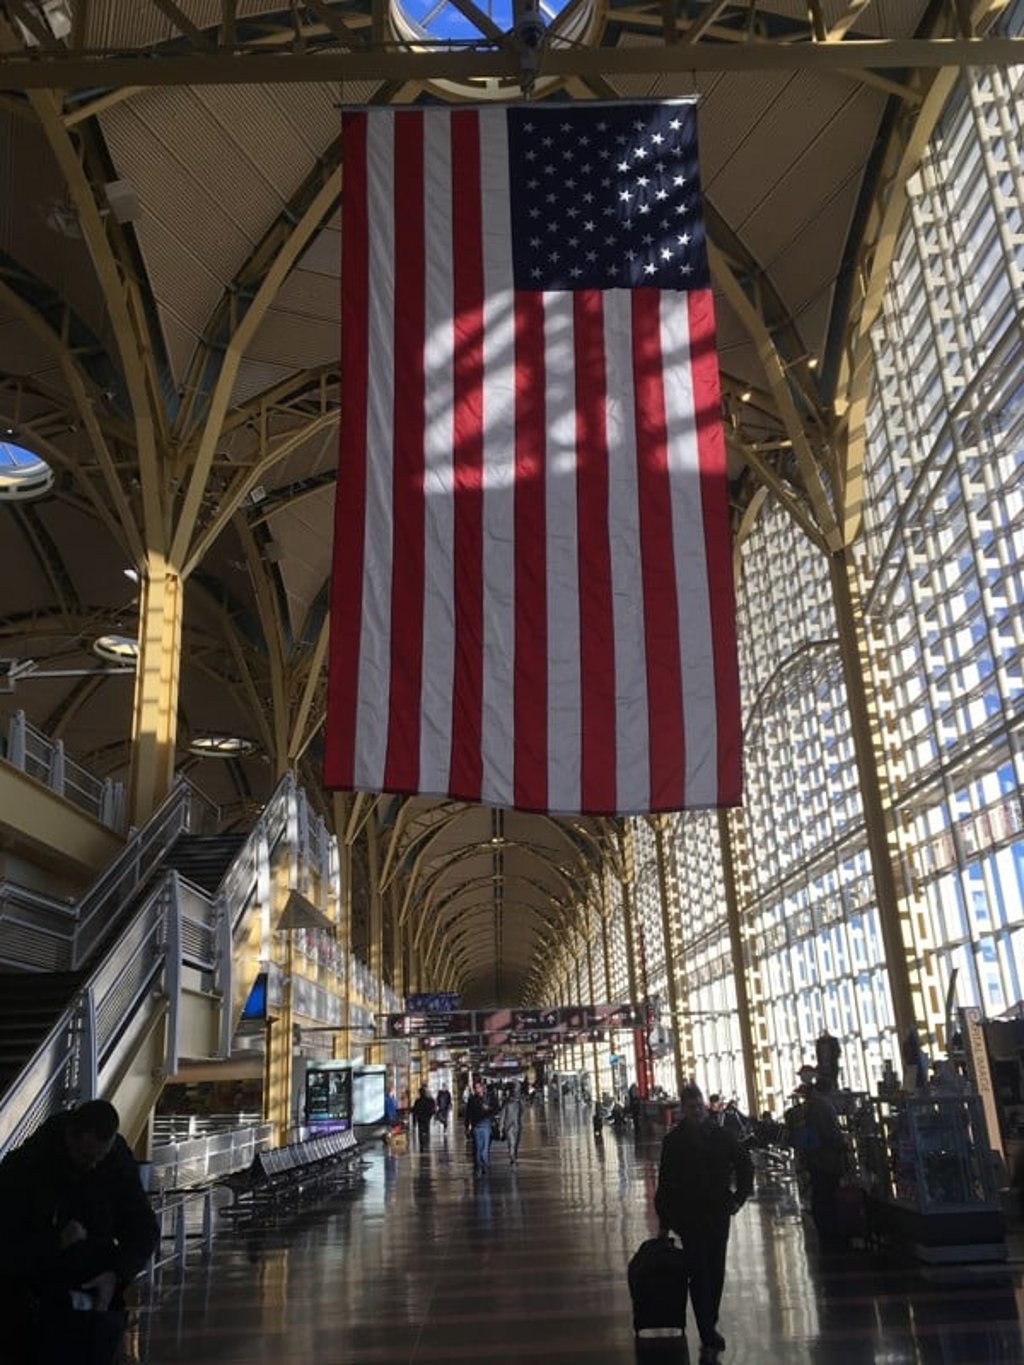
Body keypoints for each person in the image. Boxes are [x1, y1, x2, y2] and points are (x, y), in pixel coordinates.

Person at [0, 1099, 159, 1365]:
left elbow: (142, 1228)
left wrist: (117, 1274)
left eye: (101, 1157)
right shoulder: (26, 1170)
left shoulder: (115, 1162)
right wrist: (56, 1242)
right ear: (69, 1137)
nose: (94, 1165)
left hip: (95, 1306)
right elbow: (8, 1247)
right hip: (35, 1310)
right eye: (86, 1158)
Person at [654, 1083, 753, 1363]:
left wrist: (739, 1198)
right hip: (690, 1218)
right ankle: (707, 1329)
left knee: (716, 1272)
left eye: (699, 1106)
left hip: (718, 1214)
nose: (696, 1111)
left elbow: (745, 1165)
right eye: (691, 1107)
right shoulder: (673, 1143)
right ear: (683, 1110)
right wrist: (664, 1221)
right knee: (699, 1272)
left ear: (704, 1106)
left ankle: (710, 1318)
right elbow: (666, 1184)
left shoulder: (723, 1136)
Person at [795, 1081, 848, 1247]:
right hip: (826, 1160)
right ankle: (831, 1233)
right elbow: (829, 1134)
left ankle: (825, 1231)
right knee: (827, 1195)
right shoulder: (823, 1107)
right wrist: (841, 1144)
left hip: (815, 1159)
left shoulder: (809, 1107)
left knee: (820, 1194)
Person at [464, 1079, 495, 1175]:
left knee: (484, 1149)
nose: (477, 1090)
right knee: (478, 1148)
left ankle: (484, 1166)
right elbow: (468, 1114)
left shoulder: (489, 1098)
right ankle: (479, 1167)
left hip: (486, 1125)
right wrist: (467, 1126)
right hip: (477, 1126)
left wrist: (489, 1109)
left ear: (482, 1088)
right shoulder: (472, 1099)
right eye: (475, 1088)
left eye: (478, 1087)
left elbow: (496, 1109)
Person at [499, 1083, 524, 1165]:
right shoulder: (507, 1103)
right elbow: (502, 1116)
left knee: (516, 1143)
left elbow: (522, 1113)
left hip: (517, 1126)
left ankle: (514, 1157)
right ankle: (513, 1158)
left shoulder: (519, 1102)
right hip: (509, 1127)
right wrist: (501, 1128)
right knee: (512, 1143)